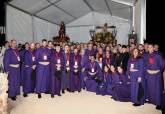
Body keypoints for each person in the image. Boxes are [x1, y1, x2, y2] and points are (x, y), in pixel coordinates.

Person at [144, 44, 165, 110]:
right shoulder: (146, 56)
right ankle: (151, 100)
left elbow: (163, 64)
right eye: (148, 47)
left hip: (156, 75)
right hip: (149, 74)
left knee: (157, 89)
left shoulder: (158, 55)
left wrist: (158, 71)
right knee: (150, 88)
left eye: (151, 47)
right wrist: (147, 70)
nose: (149, 48)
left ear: (153, 48)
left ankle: (159, 103)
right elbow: (144, 64)